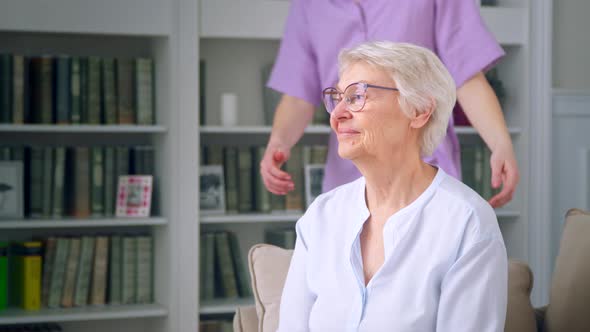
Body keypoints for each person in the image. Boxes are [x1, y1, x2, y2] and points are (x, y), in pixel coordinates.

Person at [277, 41, 507, 331]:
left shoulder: (467, 221)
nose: (337, 115)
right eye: (337, 98)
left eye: (357, 96)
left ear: (419, 110)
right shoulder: (321, 216)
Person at [260, 0, 519, 208]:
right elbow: (297, 92)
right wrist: (278, 143)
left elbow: (467, 76)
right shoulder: (309, 6)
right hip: (348, 168)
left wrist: (500, 144)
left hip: (421, 162)